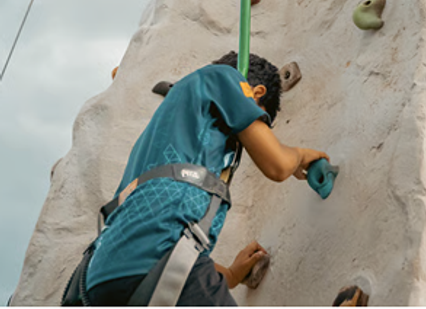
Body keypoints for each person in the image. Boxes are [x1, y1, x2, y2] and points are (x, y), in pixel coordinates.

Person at [63, 51, 327, 306]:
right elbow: (278, 165)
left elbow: (176, 260)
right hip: (155, 260)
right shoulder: (223, 77)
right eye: (260, 118)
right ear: (255, 93)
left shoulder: (158, 157)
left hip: (100, 279)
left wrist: (232, 275)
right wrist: (300, 156)